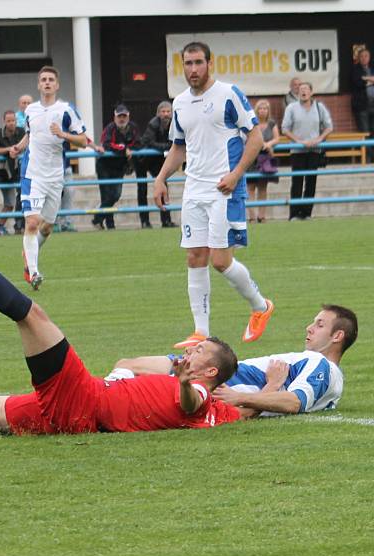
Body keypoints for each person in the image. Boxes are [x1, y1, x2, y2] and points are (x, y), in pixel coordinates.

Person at [0, 204, 251, 445]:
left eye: (201, 350)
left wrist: (185, 384)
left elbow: (192, 402)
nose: (192, 348)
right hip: (76, 416)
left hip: (85, 400)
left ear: (209, 373)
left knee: (32, 316)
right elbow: (124, 365)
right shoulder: (192, 388)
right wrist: (172, 368)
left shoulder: (200, 394)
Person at [153, 41, 274, 350]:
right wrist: (161, 178)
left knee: (221, 260)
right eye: (188, 63)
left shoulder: (228, 94)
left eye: (198, 62)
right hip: (193, 188)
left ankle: (261, 306)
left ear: (209, 63)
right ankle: (201, 332)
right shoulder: (179, 102)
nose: (193, 69)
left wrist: (235, 176)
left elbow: (256, 137)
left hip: (223, 188)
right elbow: (178, 146)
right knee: (195, 256)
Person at [109, 304, 357, 417]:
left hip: (207, 375)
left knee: (127, 367)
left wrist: (239, 397)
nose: (309, 327)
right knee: (127, 369)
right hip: (210, 377)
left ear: (337, 336)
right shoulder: (330, 381)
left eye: (320, 324)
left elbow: (294, 402)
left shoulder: (320, 364)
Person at [11, 66, 86, 290]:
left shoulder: (66, 110)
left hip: (55, 176)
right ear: (38, 84)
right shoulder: (31, 110)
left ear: (57, 85)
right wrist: (18, 147)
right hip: (32, 174)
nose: (46, 83)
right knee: (32, 222)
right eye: (43, 79)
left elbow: (83, 140)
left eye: (50, 79)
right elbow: (29, 134)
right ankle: (33, 272)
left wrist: (63, 134)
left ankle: (29, 256)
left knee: (47, 228)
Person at [281, 81, 333, 221]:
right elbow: (284, 128)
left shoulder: (319, 107)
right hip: (297, 150)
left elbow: (329, 127)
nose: (303, 91)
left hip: (315, 150)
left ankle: (307, 213)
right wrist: (298, 141)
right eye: (301, 89)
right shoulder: (291, 108)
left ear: (311, 92)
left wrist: (319, 139)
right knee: (297, 182)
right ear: (298, 92)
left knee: (311, 182)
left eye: (306, 89)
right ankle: (294, 214)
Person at [92, 104, 141, 230]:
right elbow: (107, 144)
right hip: (104, 165)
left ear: (128, 117)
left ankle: (97, 218)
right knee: (107, 196)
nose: (122, 119)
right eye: (119, 116)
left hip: (119, 167)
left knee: (116, 195)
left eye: (124, 116)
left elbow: (138, 143)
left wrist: (129, 149)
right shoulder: (110, 128)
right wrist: (124, 149)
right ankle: (110, 225)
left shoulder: (133, 128)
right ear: (115, 117)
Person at [138, 101, 175, 228]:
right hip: (142, 160)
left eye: (168, 111)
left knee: (163, 187)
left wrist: (169, 148)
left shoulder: (174, 124)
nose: (166, 114)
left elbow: (175, 142)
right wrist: (167, 148)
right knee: (142, 189)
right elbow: (150, 142)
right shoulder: (153, 124)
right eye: (163, 112)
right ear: (158, 113)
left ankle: (166, 220)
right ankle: (144, 222)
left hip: (158, 160)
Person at [246, 100, 280, 224]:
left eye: (265, 109)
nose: (262, 111)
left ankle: (262, 216)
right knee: (250, 188)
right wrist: (260, 144)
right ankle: (252, 216)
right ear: (256, 110)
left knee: (263, 187)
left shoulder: (272, 123)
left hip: (266, 157)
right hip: (252, 157)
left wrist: (268, 144)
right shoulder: (251, 123)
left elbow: (277, 138)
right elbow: (246, 137)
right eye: (260, 108)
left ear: (268, 111)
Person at [350, 48, 374, 161]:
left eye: (366, 56)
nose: (364, 58)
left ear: (369, 58)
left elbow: (363, 81)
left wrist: (366, 78)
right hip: (362, 106)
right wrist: (370, 80)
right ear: (359, 58)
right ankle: (368, 158)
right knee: (365, 132)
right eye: (362, 56)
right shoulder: (355, 70)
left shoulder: (372, 68)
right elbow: (358, 83)